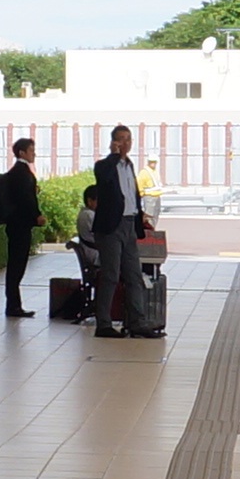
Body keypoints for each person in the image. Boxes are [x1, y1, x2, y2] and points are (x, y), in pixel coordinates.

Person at [82, 127, 147, 333]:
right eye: (120, 140)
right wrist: (112, 155)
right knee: (110, 274)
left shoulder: (130, 165)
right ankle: (104, 323)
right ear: (113, 142)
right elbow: (105, 179)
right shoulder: (104, 165)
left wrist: (140, 213)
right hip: (111, 227)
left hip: (130, 223)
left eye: (128, 140)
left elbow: (131, 194)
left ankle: (137, 323)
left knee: (134, 275)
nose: (125, 144)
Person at [0, 136, 45, 321]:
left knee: (17, 264)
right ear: (22, 153)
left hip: (16, 224)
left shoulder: (20, 172)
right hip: (20, 224)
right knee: (17, 265)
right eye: (31, 151)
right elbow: (25, 199)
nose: (34, 154)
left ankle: (14, 304)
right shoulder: (21, 172)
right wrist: (37, 215)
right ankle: (13, 305)